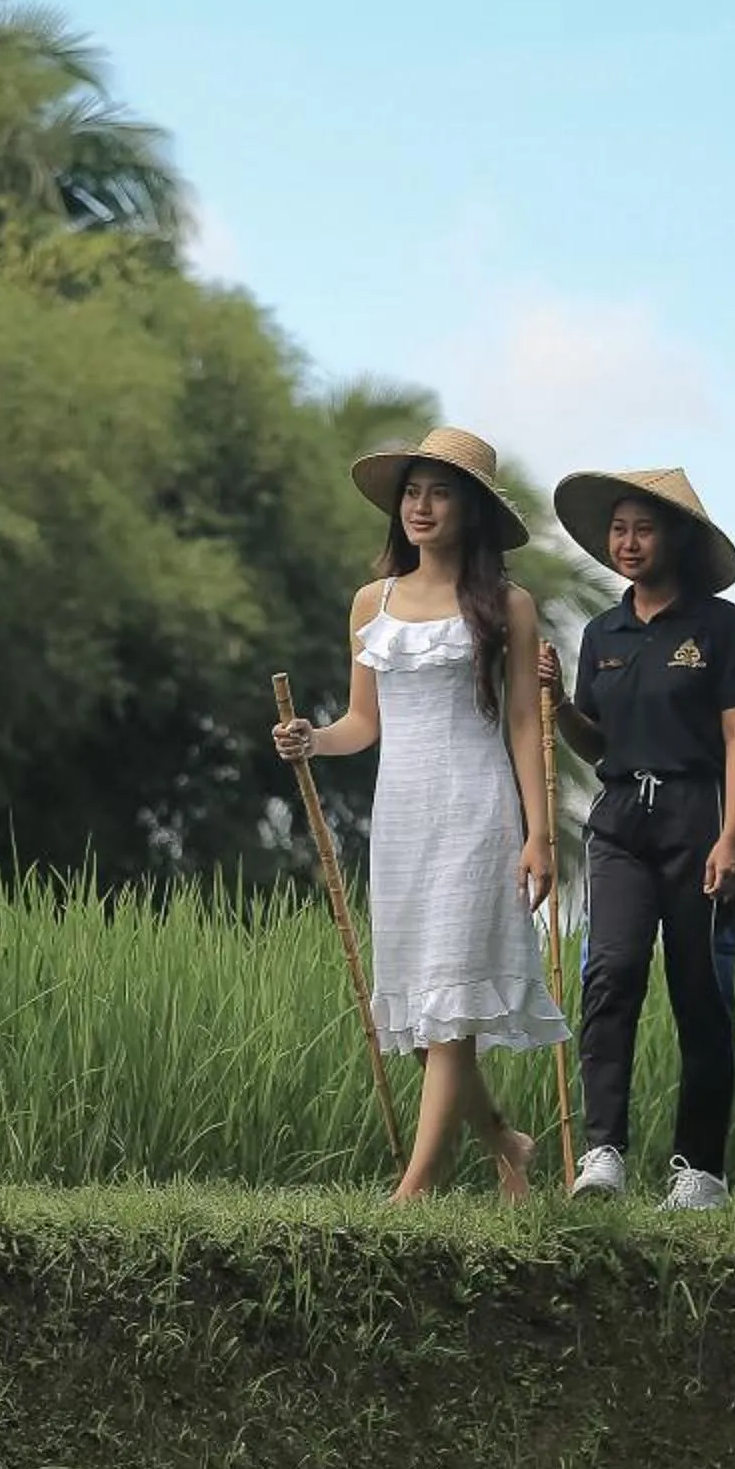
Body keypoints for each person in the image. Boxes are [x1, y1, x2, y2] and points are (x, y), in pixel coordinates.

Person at [274, 426, 570, 1203]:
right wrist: (311, 738)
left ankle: (417, 1187)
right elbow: (362, 722)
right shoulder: (373, 603)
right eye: (412, 491)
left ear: (471, 509)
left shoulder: (509, 604)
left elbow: (522, 725)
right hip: (401, 819)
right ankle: (505, 1141)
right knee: (417, 1016)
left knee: (449, 1009)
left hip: (478, 813)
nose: (421, 506)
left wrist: (540, 834)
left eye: (439, 492)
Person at [534, 468, 735, 1211]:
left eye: (645, 528)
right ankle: (603, 1153)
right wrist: (558, 703)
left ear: (676, 537)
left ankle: (700, 1171)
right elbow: (594, 740)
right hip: (621, 821)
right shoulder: (604, 632)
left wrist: (732, 838)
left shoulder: (720, 625)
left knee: (699, 991)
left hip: (699, 821)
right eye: (619, 530)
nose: (628, 543)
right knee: (612, 974)